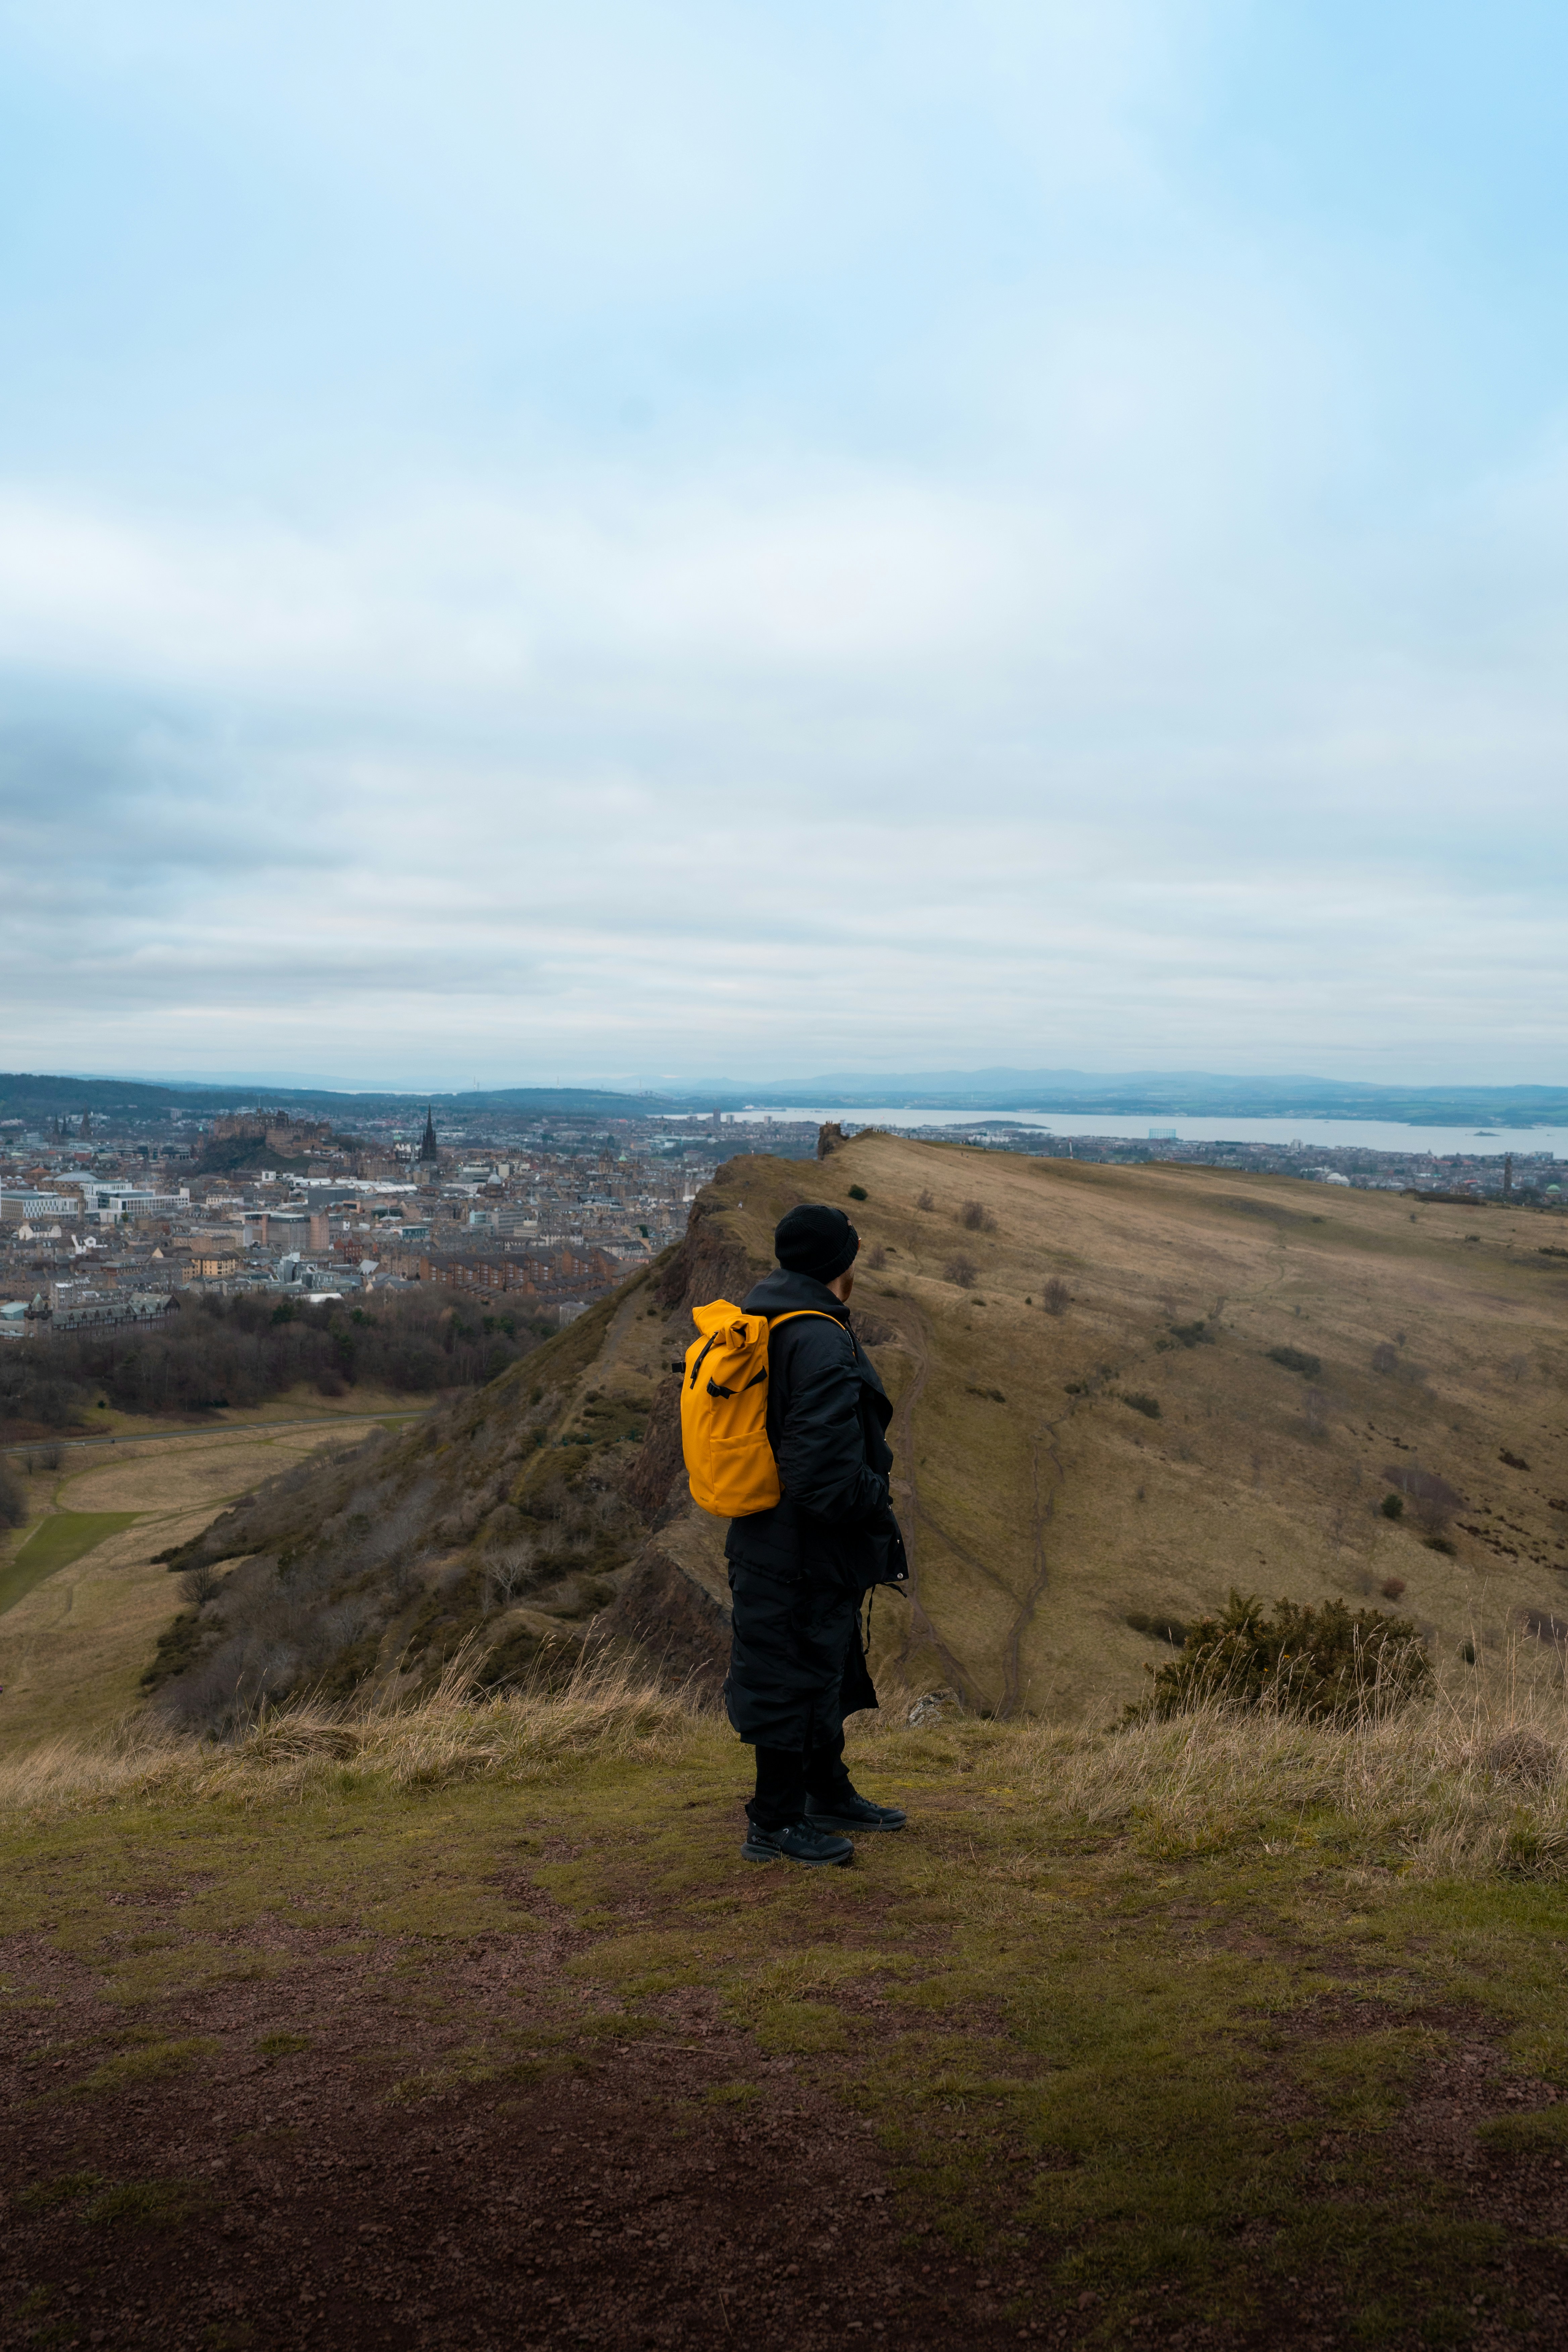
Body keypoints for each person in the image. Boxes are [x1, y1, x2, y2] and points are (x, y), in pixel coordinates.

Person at [723, 1202, 909, 1865]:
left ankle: (827, 1791)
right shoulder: (820, 1338)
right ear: (840, 1264)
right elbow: (819, 1476)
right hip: (801, 1546)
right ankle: (773, 1823)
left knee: (816, 1667)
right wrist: (876, 1495)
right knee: (791, 1678)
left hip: (770, 1537)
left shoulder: (766, 1319)